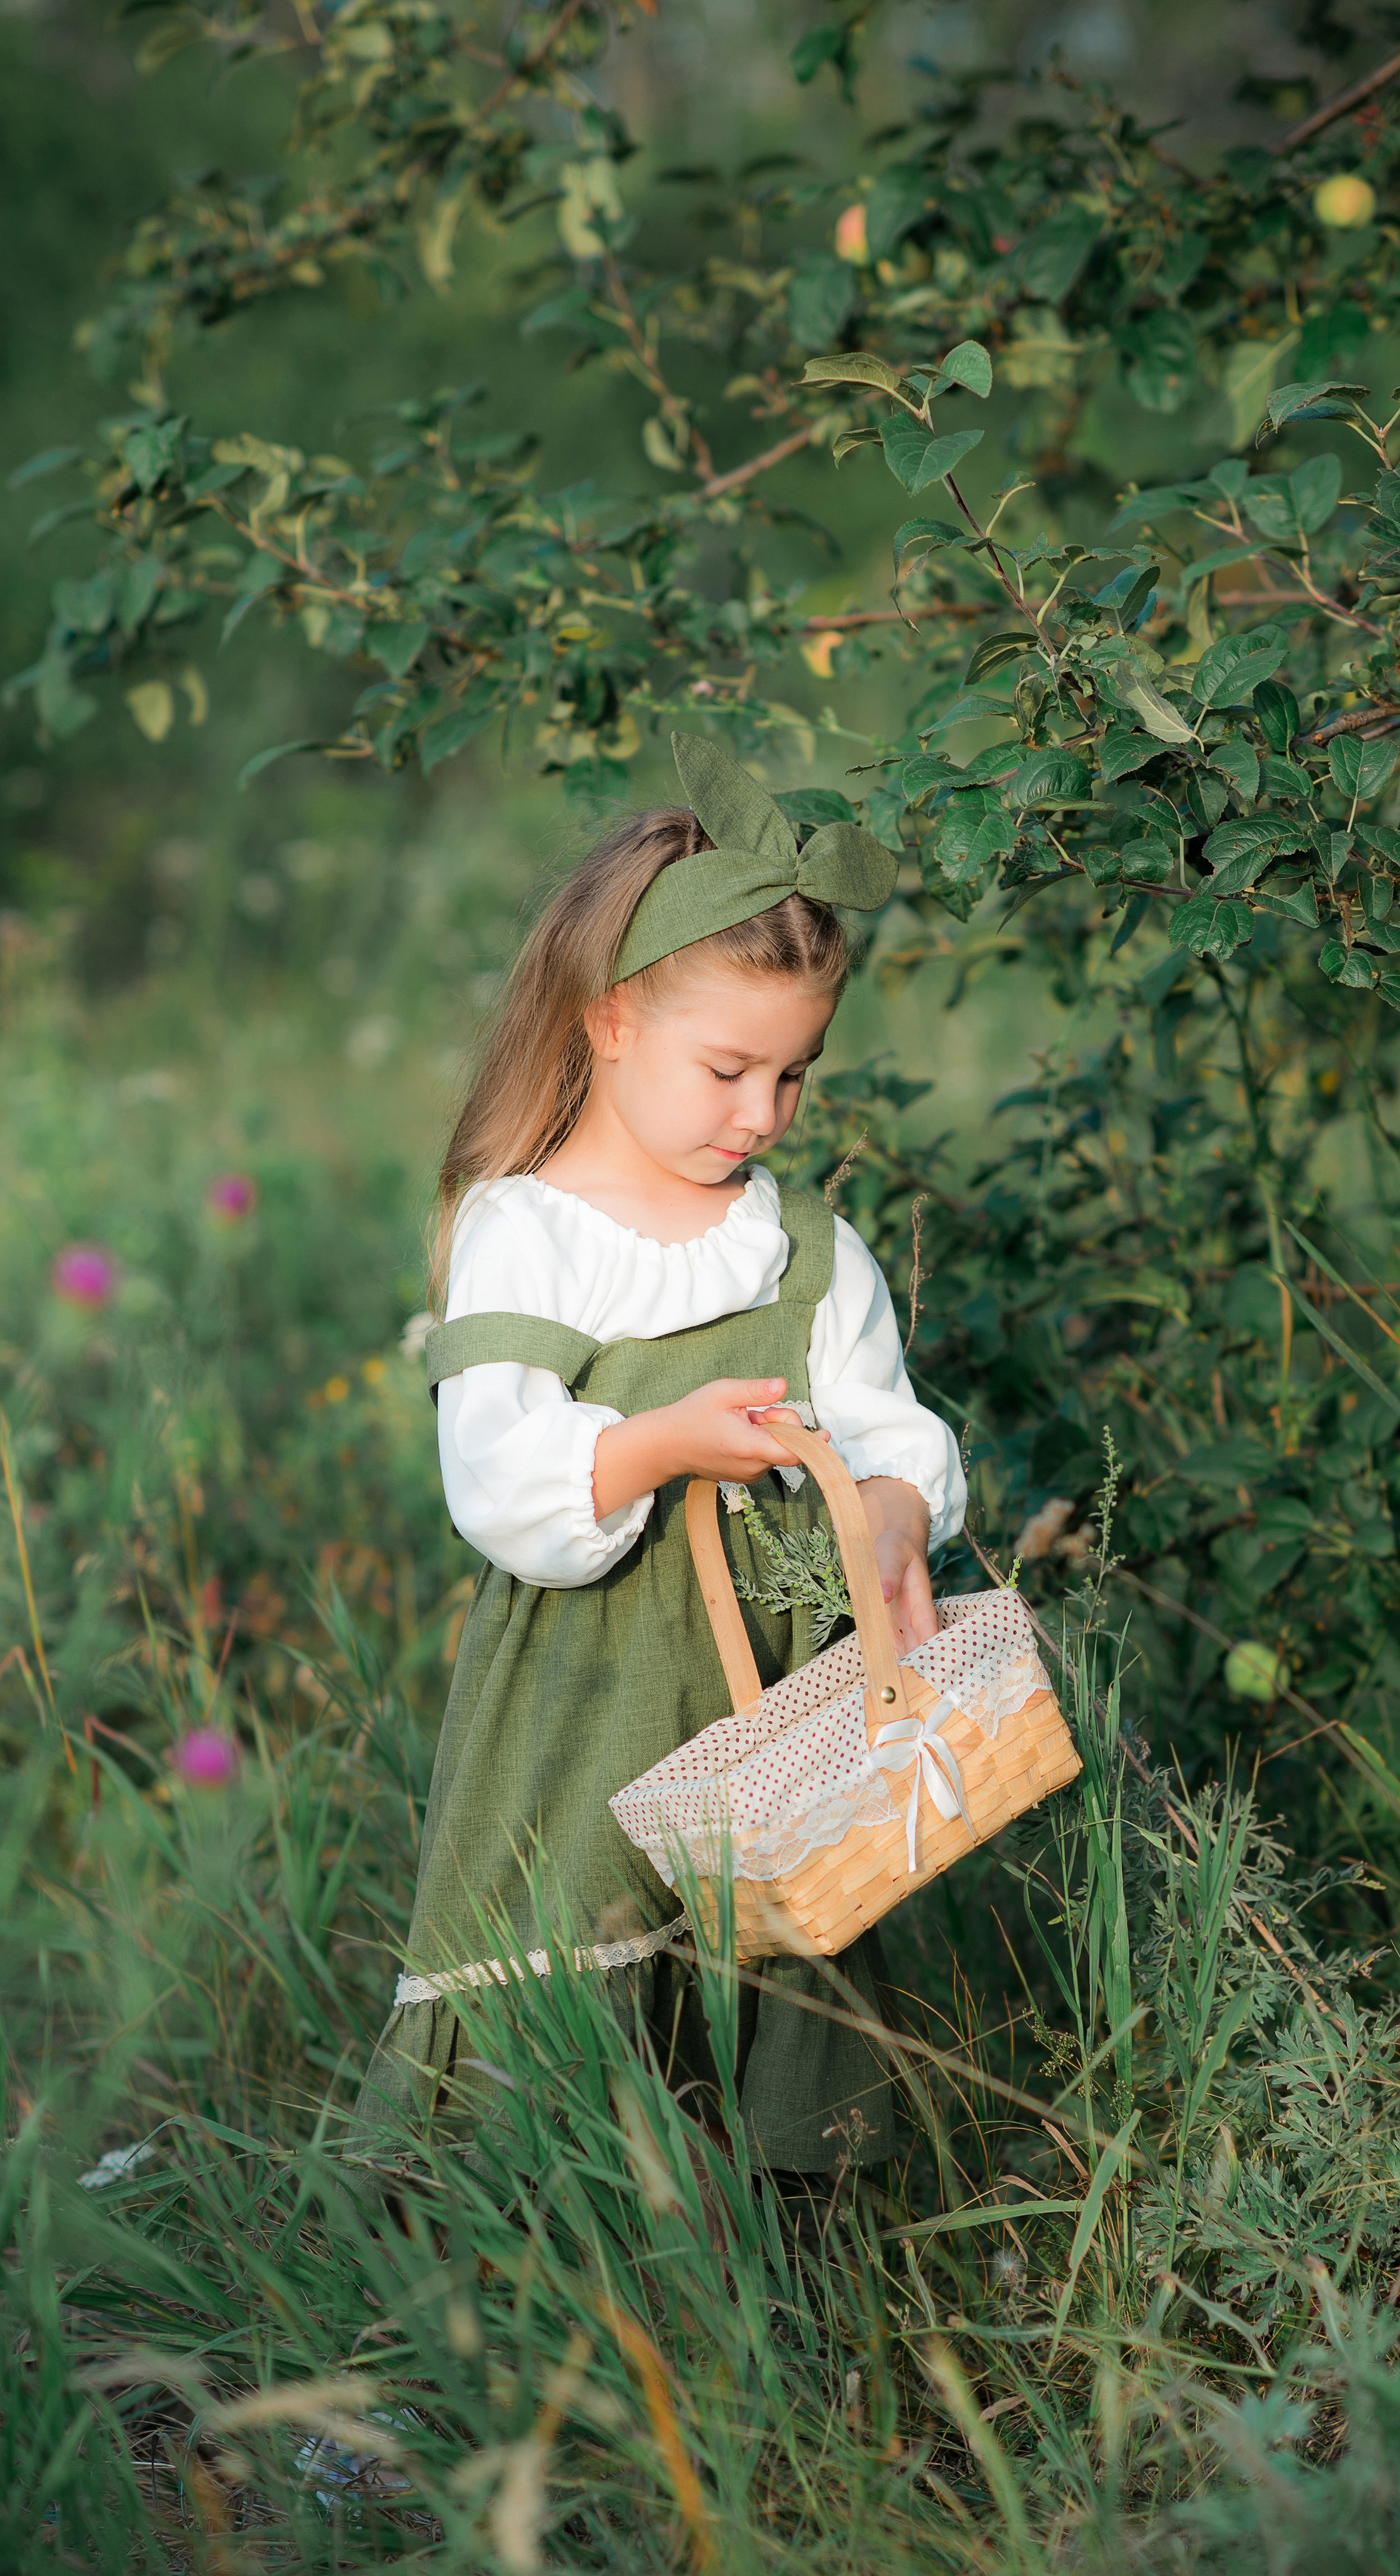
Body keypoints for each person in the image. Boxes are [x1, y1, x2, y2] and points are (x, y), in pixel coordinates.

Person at [355, 733, 966, 2187]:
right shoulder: (531, 1227)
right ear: (612, 1019)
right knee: (575, 1937)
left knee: (771, 1932)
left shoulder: (800, 1244)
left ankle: (772, 2252)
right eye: (729, 1068)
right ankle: (530, 2258)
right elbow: (501, 1470)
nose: (762, 1116)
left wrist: (890, 1513)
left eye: (795, 1076)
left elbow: (883, 1420)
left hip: (780, 1681)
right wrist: (656, 1446)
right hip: (595, 1692)